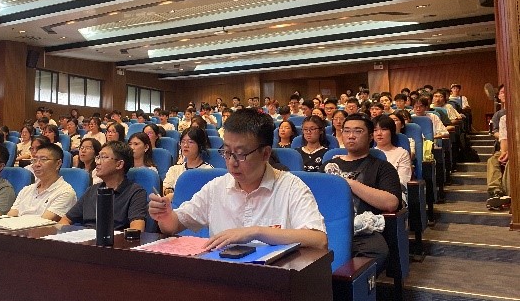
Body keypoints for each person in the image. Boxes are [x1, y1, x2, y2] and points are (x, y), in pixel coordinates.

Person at [149, 108, 327, 250]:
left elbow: (319, 239)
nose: (232, 162)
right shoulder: (217, 187)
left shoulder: (290, 187)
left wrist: (256, 232)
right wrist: (165, 215)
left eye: (241, 154)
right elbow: (174, 225)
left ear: (265, 153)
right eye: (227, 152)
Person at [321, 114, 401, 274]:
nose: (351, 136)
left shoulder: (382, 167)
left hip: (362, 230)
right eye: (346, 131)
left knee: (376, 252)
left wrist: (348, 184)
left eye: (358, 131)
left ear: (370, 136)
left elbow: (391, 203)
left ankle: (347, 285)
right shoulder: (329, 165)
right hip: (328, 226)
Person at [59, 141, 147, 231]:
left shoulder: (135, 192)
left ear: (119, 164)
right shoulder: (92, 190)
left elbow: (137, 230)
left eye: (103, 157)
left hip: (114, 238)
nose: (97, 162)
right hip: (86, 236)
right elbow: (65, 220)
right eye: (98, 157)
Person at [8, 143, 76, 220]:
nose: (37, 164)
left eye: (43, 159)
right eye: (35, 160)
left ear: (58, 164)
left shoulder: (65, 192)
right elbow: (10, 216)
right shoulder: (26, 190)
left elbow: (42, 223)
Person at [373, 116, 412, 207]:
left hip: (395, 193)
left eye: (384, 129)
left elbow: (403, 181)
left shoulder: (402, 153)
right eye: (375, 130)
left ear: (392, 131)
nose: (379, 133)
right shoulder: (368, 153)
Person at [162, 128, 213, 196]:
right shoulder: (174, 169)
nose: (185, 145)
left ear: (200, 145)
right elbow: (165, 187)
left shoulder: (208, 171)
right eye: (183, 142)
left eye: (190, 142)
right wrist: (168, 191)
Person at [486, 113, 511, 210]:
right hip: (509, 149)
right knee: (493, 160)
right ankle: (496, 192)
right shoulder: (504, 119)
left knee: (511, 162)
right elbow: (504, 139)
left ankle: (509, 195)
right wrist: (504, 152)